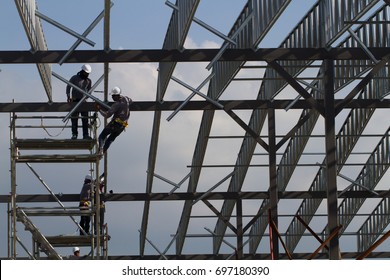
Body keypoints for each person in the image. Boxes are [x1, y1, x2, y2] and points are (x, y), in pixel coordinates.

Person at [97, 86, 132, 155]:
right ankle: (102, 152)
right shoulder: (126, 99)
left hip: (116, 123)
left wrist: (99, 110)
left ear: (116, 95)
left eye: (113, 96)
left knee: (102, 136)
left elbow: (107, 115)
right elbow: (131, 101)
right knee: (110, 139)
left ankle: (100, 149)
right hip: (123, 125)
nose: (112, 98)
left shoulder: (116, 104)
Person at [66, 64, 93, 140]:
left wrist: (87, 96)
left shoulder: (88, 81)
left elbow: (90, 91)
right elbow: (68, 86)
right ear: (82, 71)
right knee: (74, 119)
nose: (87, 75)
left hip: (83, 102)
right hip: (74, 101)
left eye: (88, 73)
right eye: (86, 73)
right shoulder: (74, 78)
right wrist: (68, 96)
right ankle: (74, 134)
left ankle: (85, 135)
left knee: (85, 119)